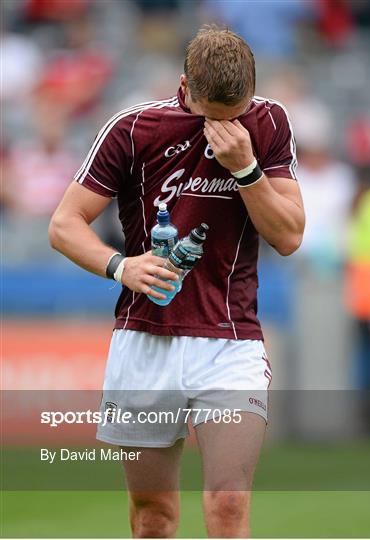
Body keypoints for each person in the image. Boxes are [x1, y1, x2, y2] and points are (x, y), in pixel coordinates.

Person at [49, 26, 305, 539]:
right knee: (153, 517)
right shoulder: (134, 128)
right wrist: (121, 266)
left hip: (230, 342)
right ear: (184, 86)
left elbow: (289, 235)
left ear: (252, 91)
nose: (223, 127)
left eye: (235, 115)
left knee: (228, 502)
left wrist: (247, 169)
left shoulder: (269, 122)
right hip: (146, 341)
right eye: (211, 113)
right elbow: (63, 224)